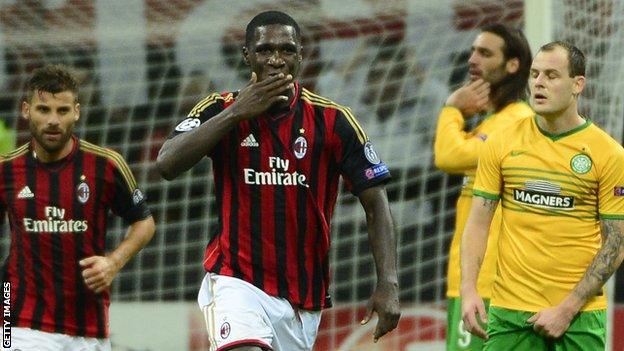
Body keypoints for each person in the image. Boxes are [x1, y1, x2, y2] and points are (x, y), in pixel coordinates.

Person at [157, 10, 400, 351]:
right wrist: (237, 112)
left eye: (286, 50)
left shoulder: (333, 120)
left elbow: (375, 202)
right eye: (264, 50)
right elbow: (167, 163)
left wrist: (387, 283)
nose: (275, 60)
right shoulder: (219, 108)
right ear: (246, 55)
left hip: (303, 296)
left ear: (301, 55)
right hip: (236, 282)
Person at [461, 41, 624, 350]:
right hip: (509, 313)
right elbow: (478, 222)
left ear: (578, 84)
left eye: (551, 75)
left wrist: (567, 309)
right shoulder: (501, 142)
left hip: (579, 318)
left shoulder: (610, 155)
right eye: (535, 74)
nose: (538, 82)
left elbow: (616, 244)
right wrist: (469, 289)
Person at [0, 65, 155, 350]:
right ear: (25, 110)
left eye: (62, 111)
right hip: (18, 321)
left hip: (89, 326)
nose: (52, 121)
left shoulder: (106, 165)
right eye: (43, 110)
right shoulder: (6, 170)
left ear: (77, 112)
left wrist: (113, 262)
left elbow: (144, 222)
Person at [433, 23, 533, 350]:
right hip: (475, 281)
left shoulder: (516, 121)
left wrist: (451, 109)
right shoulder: (492, 122)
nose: (473, 59)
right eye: (473, 50)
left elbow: (449, 155)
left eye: (485, 53)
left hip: (489, 284)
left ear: (513, 65)